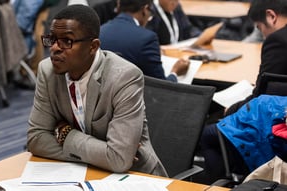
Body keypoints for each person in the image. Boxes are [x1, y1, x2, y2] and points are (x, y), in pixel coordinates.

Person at [26, 4, 168, 176]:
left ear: (93, 47)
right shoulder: (47, 71)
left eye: (66, 41)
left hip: (134, 177)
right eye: (52, 39)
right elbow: (36, 140)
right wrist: (102, 154)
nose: (54, 48)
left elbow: (119, 160)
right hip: (78, 174)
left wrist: (65, 134)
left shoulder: (124, 77)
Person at [200, 0, 287, 183]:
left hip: (278, 122)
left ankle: (224, 185)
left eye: (259, 27)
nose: (262, 34)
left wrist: (230, 109)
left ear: (271, 16)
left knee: (207, 134)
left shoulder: (278, 40)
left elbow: (264, 96)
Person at [99, 0, 189, 82]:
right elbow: (162, 87)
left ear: (119, 5)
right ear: (145, 10)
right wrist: (175, 72)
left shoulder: (100, 30)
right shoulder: (147, 38)